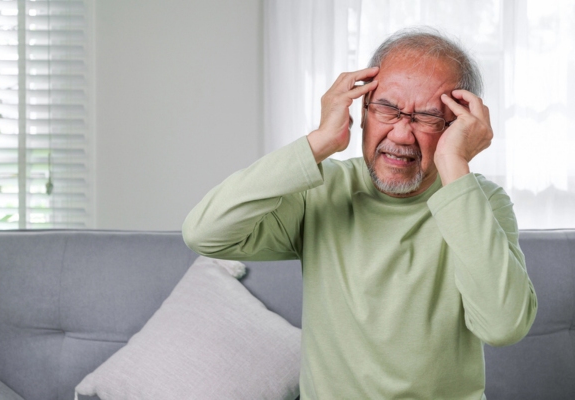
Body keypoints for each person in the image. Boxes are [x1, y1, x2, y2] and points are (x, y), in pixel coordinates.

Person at [182, 27, 537, 399]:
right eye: (386, 108)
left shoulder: (479, 202)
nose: (401, 135)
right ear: (362, 110)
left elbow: (503, 326)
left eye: (428, 118)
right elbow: (204, 233)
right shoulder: (321, 191)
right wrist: (319, 142)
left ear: (459, 125)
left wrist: (454, 164)